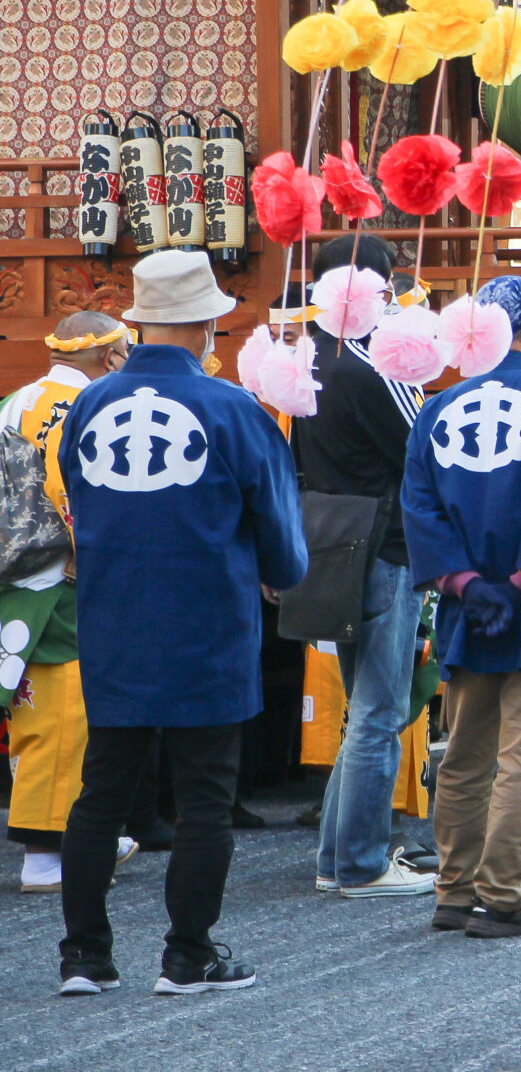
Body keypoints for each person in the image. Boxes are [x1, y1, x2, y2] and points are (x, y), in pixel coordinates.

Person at [56, 250, 305, 998]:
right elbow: (282, 541)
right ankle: (188, 955)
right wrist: (278, 573)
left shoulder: (90, 406)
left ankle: (83, 958)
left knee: (102, 790)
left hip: (114, 619)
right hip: (207, 622)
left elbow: (76, 499)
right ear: (203, 326)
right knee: (204, 798)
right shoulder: (234, 409)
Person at [399, 277, 521, 937]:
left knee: (464, 751)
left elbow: (419, 505)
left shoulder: (437, 408)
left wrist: (464, 584)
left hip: (469, 606)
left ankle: (453, 893)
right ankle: (502, 895)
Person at [296, 232, 435, 901]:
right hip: (384, 544)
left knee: (365, 712)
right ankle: (360, 861)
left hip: (330, 543)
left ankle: (336, 856)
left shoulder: (307, 356)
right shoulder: (374, 366)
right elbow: (422, 450)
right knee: (380, 711)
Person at [0, 314, 132, 895]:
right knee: (60, 717)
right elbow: (71, 492)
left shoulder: (14, 400)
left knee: (37, 713)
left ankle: (84, 830)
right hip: (54, 580)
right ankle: (45, 853)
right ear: (109, 358)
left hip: (16, 580)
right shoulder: (81, 408)